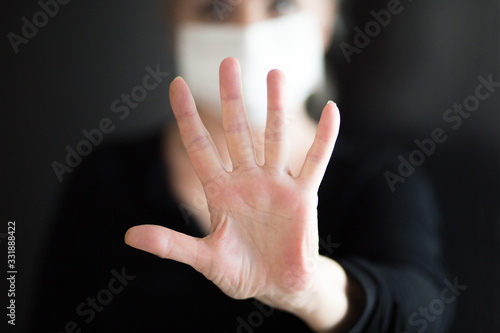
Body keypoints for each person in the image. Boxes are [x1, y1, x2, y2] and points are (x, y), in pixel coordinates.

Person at [32, 1, 453, 332]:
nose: (248, 34)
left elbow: (423, 313)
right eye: (216, 8)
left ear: (325, 19)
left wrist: (308, 290)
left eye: (282, 5)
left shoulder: (378, 176)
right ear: (172, 22)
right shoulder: (106, 177)